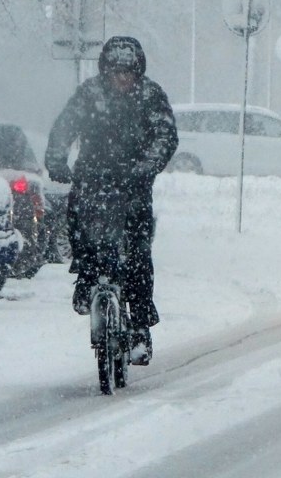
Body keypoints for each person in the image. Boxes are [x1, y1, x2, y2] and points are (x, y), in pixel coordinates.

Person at [45, 36, 178, 365]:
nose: (122, 79)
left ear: (137, 72)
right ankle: (85, 279)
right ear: (105, 71)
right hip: (92, 178)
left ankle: (140, 326)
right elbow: (64, 126)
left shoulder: (150, 96)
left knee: (138, 250)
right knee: (79, 224)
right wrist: (57, 160)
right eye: (116, 72)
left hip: (134, 184)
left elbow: (165, 136)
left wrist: (145, 168)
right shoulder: (90, 94)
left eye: (128, 72)